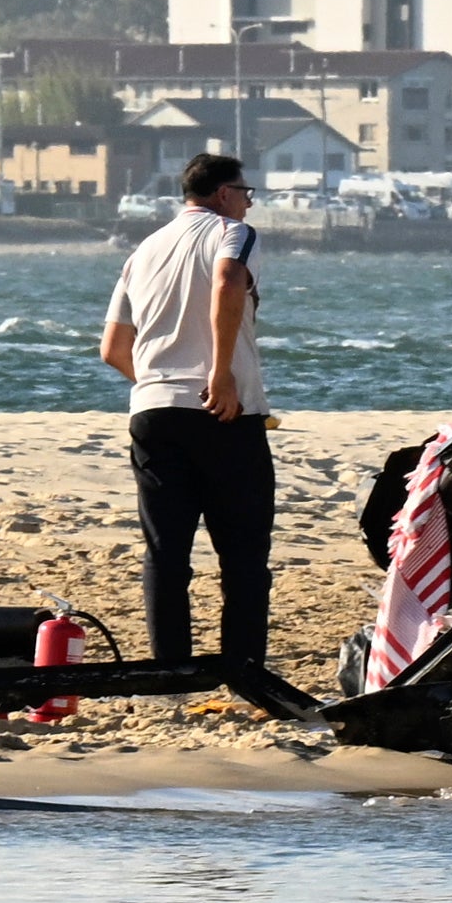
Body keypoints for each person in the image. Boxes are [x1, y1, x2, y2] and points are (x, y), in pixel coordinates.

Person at [101, 149, 274, 663]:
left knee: (166, 552)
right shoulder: (232, 233)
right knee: (243, 554)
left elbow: (112, 347)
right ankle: (241, 667)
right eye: (245, 193)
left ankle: (169, 668)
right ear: (223, 194)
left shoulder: (143, 250)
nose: (247, 203)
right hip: (223, 411)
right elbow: (227, 282)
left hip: (153, 410)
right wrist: (218, 378)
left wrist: (159, 384)